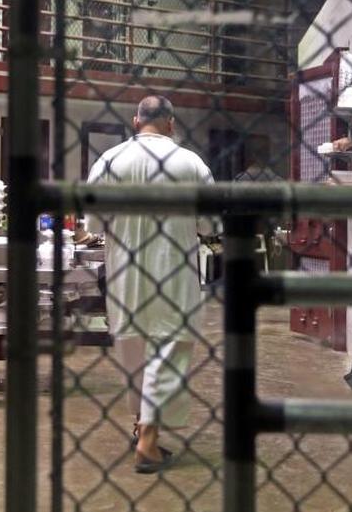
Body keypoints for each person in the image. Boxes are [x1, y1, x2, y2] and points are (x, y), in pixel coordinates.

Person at [87, 95, 215, 474]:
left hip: (125, 274)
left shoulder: (110, 161)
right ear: (171, 123)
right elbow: (210, 224)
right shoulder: (191, 163)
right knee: (169, 349)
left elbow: (93, 223)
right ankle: (148, 439)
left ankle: (140, 424)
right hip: (172, 272)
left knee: (134, 350)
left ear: (135, 121)